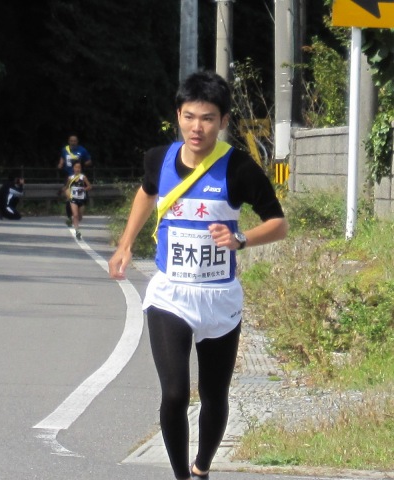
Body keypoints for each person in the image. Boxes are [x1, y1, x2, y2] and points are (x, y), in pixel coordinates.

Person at [108, 71, 288, 480]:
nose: (197, 127)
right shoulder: (159, 159)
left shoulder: (238, 168)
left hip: (219, 298)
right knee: (174, 392)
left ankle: (202, 466)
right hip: (170, 293)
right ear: (178, 115)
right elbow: (147, 191)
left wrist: (241, 239)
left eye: (207, 118)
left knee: (213, 394)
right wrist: (125, 244)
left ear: (223, 121)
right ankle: (182, 477)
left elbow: (279, 224)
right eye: (189, 117)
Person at [57, 134, 92, 225]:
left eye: (74, 141)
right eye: (71, 141)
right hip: (68, 175)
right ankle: (70, 216)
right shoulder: (65, 149)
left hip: (79, 177)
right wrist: (60, 164)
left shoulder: (82, 150)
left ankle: (78, 213)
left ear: (77, 142)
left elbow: (89, 160)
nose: (73, 143)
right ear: (69, 141)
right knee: (69, 197)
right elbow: (62, 158)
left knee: (80, 199)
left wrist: (84, 164)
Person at [61, 161, 92, 240]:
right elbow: (67, 187)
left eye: (79, 168)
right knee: (75, 215)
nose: (77, 169)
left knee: (80, 217)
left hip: (81, 199)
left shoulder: (83, 177)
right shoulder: (70, 178)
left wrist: (83, 189)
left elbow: (89, 186)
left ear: (81, 169)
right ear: (73, 168)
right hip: (73, 199)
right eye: (76, 167)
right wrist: (64, 192)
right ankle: (77, 231)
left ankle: (72, 221)